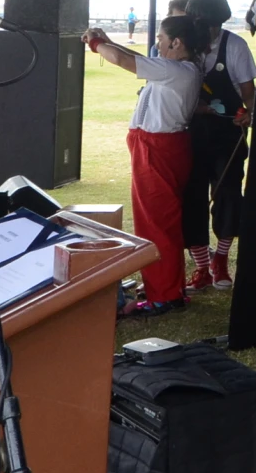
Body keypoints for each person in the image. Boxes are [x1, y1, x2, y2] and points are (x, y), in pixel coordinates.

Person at [87, 16, 208, 315]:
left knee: (156, 224)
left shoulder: (177, 70)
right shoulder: (178, 69)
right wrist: (108, 42)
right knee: (159, 222)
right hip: (160, 147)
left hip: (158, 150)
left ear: (176, 42)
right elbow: (138, 59)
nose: (157, 44)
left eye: (161, 38)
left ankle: (163, 295)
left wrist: (95, 43)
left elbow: (122, 61)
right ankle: (165, 287)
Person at [182, 0, 256, 291]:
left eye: (214, 24)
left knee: (227, 195)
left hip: (227, 134)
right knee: (192, 196)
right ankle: (201, 265)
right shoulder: (182, 44)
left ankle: (221, 260)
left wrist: (247, 113)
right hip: (189, 133)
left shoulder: (234, 46)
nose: (209, 30)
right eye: (203, 23)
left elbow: (248, 92)